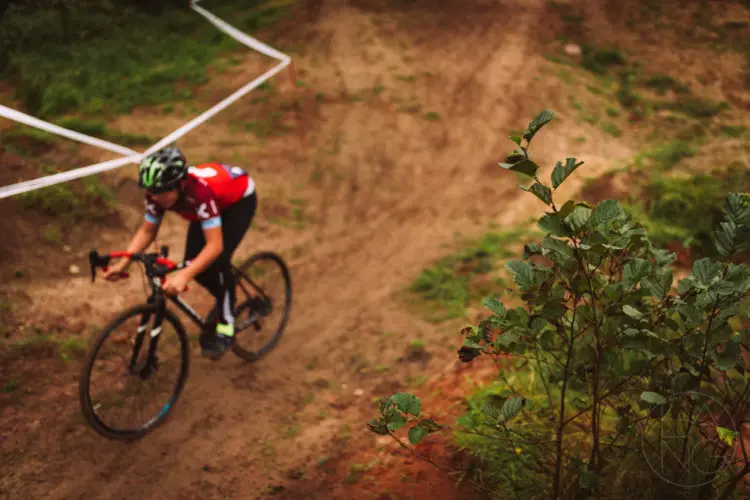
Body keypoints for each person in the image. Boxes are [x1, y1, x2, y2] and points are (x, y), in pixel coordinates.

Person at [102, 146, 258, 359]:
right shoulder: (155, 193)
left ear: (181, 183)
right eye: (153, 192)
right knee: (196, 264)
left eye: (164, 191)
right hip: (203, 210)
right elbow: (147, 231)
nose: (157, 198)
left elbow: (214, 246)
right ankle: (222, 297)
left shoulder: (200, 193)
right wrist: (123, 264)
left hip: (238, 201)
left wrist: (184, 275)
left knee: (217, 262)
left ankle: (226, 324)